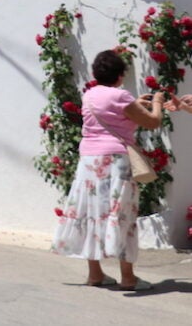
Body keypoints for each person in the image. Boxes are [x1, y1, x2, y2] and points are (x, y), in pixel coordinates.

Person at [51, 49, 164, 291]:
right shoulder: (121, 96)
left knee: (92, 213)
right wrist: (157, 103)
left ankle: (95, 274)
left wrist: (136, 104)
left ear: (96, 73)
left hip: (89, 161)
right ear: (121, 74)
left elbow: (114, 114)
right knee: (122, 213)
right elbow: (152, 121)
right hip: (116, 161)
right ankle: (128, 278)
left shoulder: (90, 95)